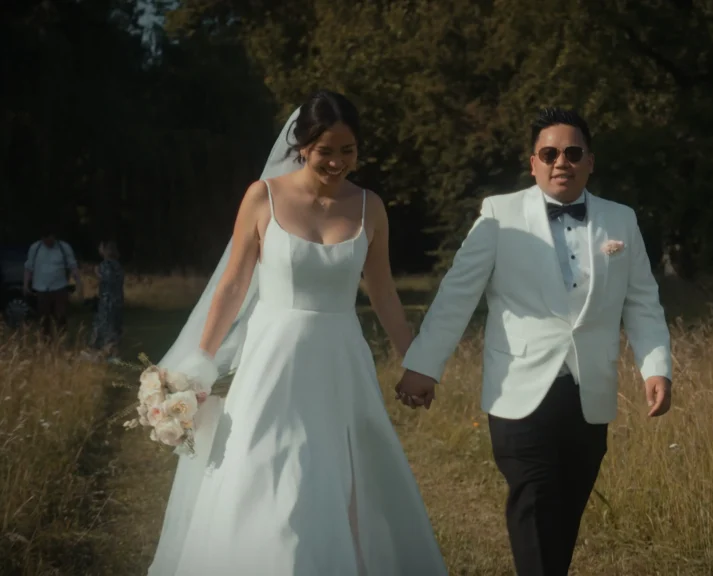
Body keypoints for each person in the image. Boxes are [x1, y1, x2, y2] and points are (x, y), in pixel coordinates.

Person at [147, 90, 447, 575]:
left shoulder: (371, 207)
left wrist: (417, 362)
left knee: (343, 474)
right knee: (267, 466)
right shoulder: (262, 197)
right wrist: (199, 363)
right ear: (303, 145)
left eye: (348, 150)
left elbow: (384, 293)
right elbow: (233, 286)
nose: (337, 162)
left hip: (340, 362)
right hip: (274, 361)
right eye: (326, 149)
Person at [396, 108, 674, 575]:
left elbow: (643, 302)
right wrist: (425, 363)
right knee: (534, 503)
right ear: (533, 163)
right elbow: (458, 293)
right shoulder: (498, 215)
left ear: (590, 161)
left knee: (563, 513)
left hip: (591, 391)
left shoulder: (620, 220)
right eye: (549, 153)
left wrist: (656, 366)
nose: (560, 161)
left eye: (571, 152)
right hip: (519, 391)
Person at [23, 228, 82, 336]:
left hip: (60, 287)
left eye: (50, 239)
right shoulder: (35, 248)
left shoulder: (64, 247)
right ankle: (46, 342)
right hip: (41, 289)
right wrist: (26, 284)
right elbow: (29, 267)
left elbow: (73, 266)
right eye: (46, 240)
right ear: (42, 238)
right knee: (44, 318)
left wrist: (78, 283)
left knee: (61, 315)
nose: (48, 243)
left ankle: (62, 338)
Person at [86, 240, 124, 361]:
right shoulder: (118, 265)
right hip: (118, 300)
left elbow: (107, 279)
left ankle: (101, 352)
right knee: (115, 326)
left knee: (104, 325)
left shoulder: (105, 265)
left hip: (107, 300)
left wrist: (97, 272)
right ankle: (113, 353)